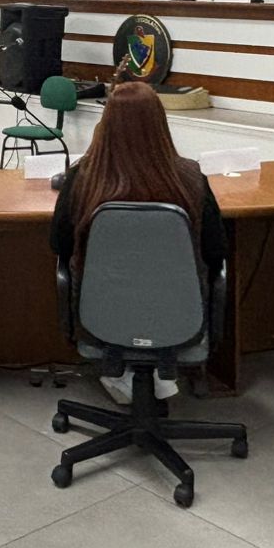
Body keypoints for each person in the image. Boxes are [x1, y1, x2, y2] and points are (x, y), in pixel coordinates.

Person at [50, 81, 225, 404]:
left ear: (106, 124)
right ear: (161, 123)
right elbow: (216, 252)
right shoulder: (192, 178)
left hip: (99, 317)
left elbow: (59, 245)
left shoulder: (82, 179)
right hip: (180, 317)